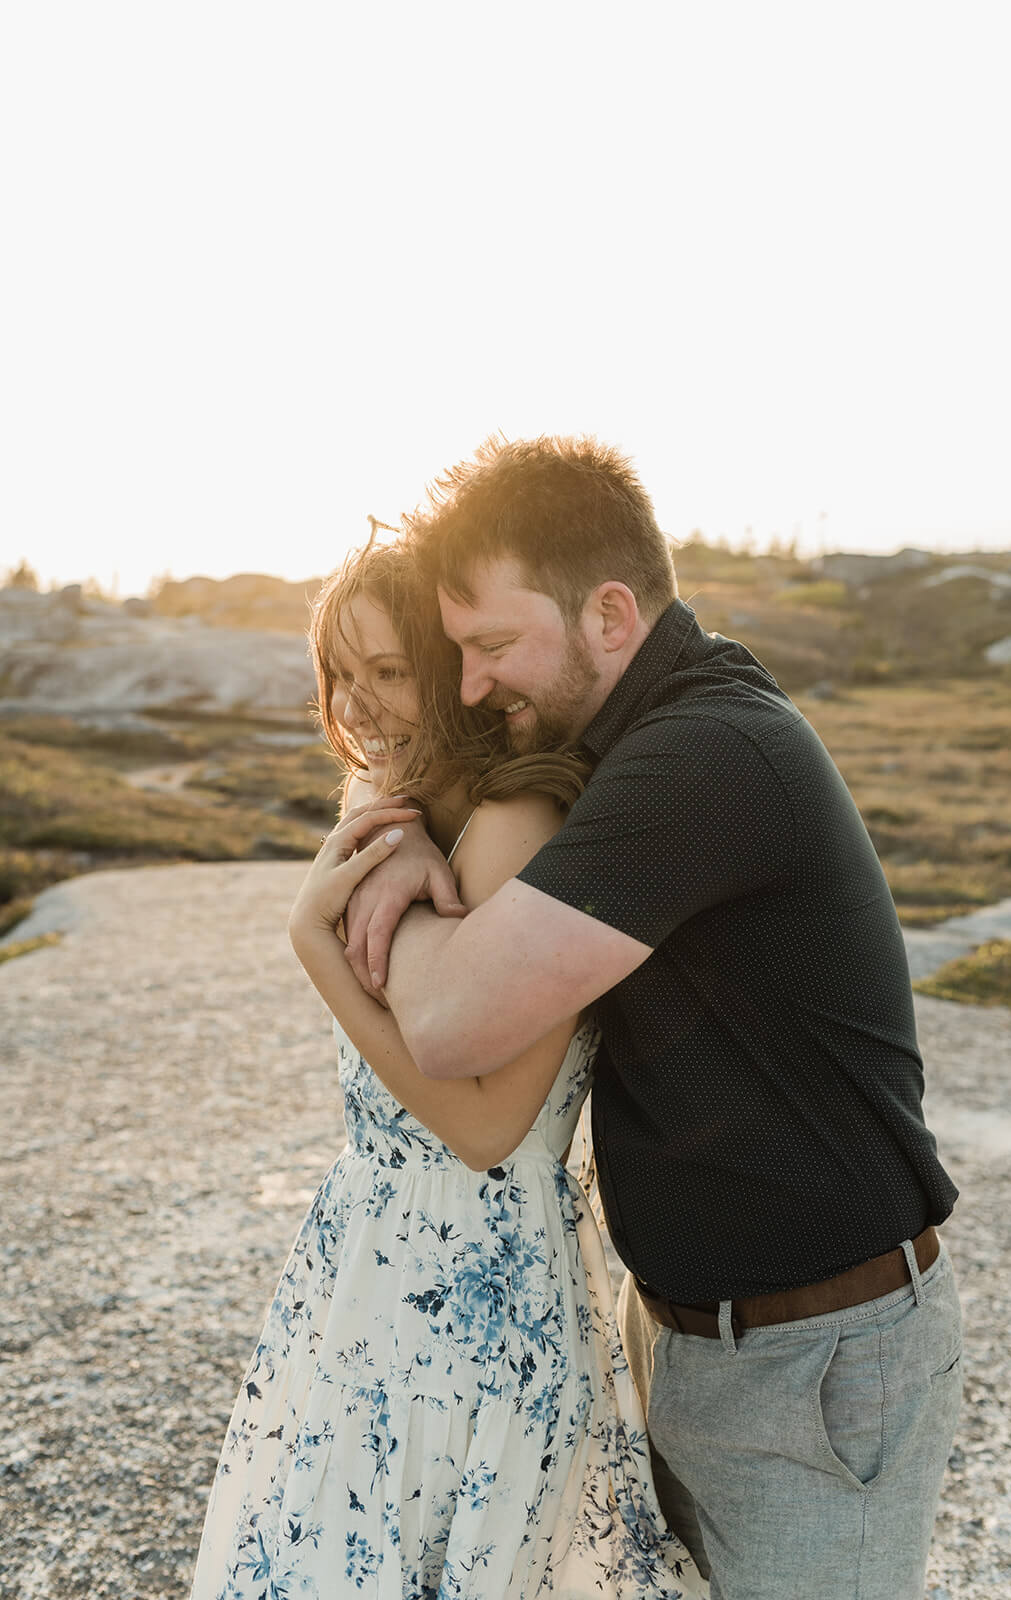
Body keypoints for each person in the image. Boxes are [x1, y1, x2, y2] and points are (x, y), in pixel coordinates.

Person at [340, 436, 965, 1600]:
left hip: (814, 1365)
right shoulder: (634, 738)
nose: (472, 685)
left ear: (611, 614)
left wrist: (383, 863)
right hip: (697, 1335)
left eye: (491, 646)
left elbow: (453, 1025)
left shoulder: (706, 755)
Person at [189, 539, 704, 1599]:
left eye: (389, 670)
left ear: (451, 673)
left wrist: (311, 940)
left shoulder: (517, 826)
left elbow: (489, 1131)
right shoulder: (399, 806)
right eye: (340, 671)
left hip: (477, 1286)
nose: (360, 703)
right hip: (369, 1260)